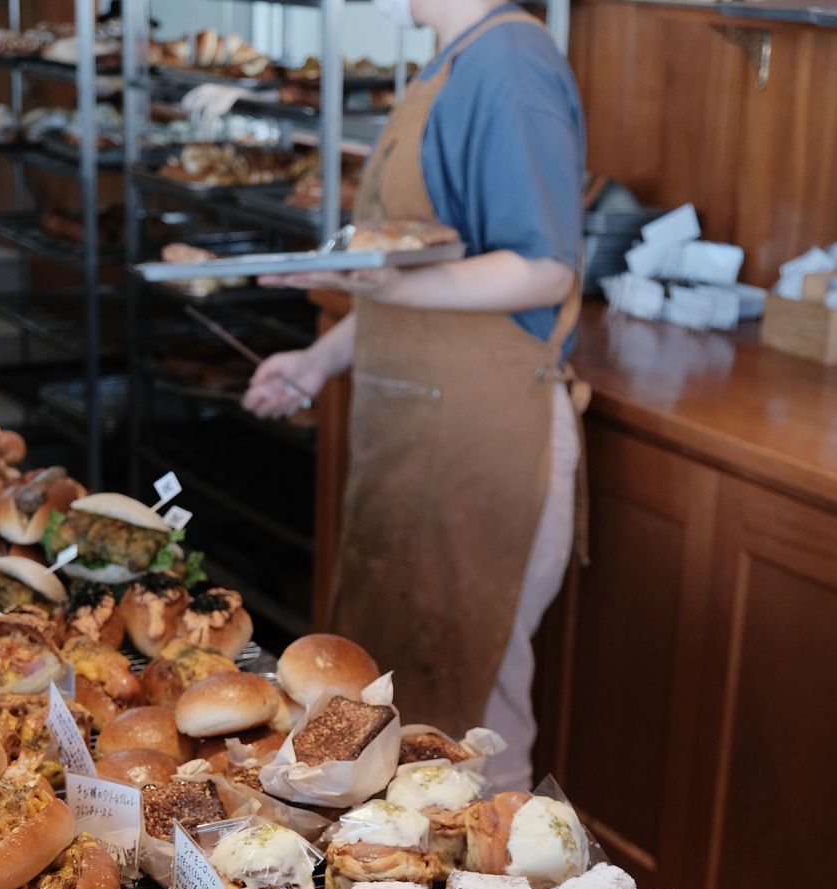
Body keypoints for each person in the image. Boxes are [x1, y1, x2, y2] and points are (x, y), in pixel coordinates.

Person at [243, 0, 586, 788]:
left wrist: (378, 278)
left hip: (483, 441)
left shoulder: (510, 62)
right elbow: (420, 281)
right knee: (393, 719)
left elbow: (543, 267)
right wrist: (321, 358)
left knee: (472, 732)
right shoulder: (451, 60)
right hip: (416, 439)